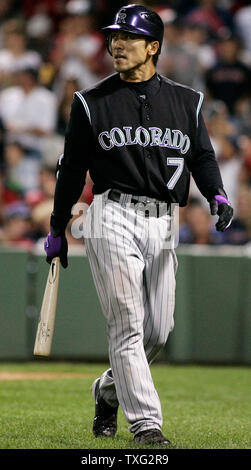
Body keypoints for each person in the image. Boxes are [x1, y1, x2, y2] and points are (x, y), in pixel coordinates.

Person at [44, 4, 233, 446]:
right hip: (111, 215)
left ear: (153, 47)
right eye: (114, 37)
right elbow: (71, 171)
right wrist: (56, 227)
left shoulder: (187, 101)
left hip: (166, 220)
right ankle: (146, 424)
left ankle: (108, 390)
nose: (117, 44)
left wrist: (217, 193)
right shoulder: (91, 103)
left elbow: (201, 155)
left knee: (158, 332)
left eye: (128, 37)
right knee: (127, 323)